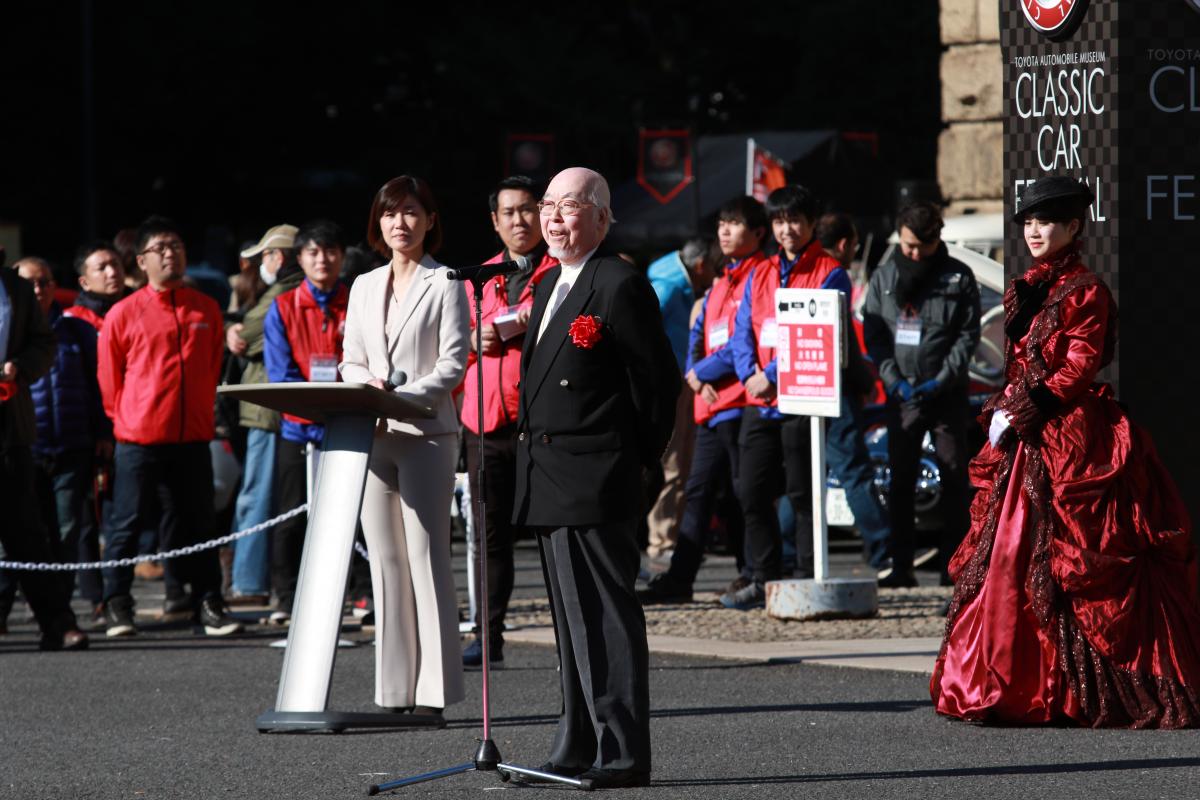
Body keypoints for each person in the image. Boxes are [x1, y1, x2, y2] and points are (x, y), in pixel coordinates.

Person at [931, 175, 1200, 727]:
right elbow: (1020, 363)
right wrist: (1004, 408)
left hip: (1069, 435)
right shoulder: (1026, 287)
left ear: (1074, 227)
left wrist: (1022, 409)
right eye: (1028, 222)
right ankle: (1000, 676)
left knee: (1073, 556)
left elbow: (1078, 366)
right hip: (1027, 435)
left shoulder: (1086, 290)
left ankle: (1060, 689)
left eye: (1046, 221)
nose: (1034, 231)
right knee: (1004, 555)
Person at [512, 167, 678, 788]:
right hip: (549, 475)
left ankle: (622, 750)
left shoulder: (618, 281)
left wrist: (640, 463)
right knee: (569, 619)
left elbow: (655, 384)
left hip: (598, 473)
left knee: (606, 615)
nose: (553, 218)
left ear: (603, 218)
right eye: (548, 205)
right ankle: (575, 743)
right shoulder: (551, 279)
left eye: (571, 207)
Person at [340, 175, 468, 719]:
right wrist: (366, 386)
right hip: (372, 433)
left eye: (412, 213)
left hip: (427, 434)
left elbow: (453, 364)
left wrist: (402, 397)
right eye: (391, 214)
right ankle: (395, 692)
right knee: (386, 563)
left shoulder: (448, 283)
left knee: (426, 556)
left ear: (430, 220)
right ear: (378, 222)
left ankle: (436, 693)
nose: (401, 223)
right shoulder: (364, 285)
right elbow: (348, 357)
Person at [96, 216, 243, 637]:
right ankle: (117, 605)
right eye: (160, 247)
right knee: (126, 525)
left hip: (194, 436)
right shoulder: (124, 313)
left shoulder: (206, 308)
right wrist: (126, 418)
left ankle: (208, 602)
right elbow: (110, 380)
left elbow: (213, 366)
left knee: (199, 523)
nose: (170, 253)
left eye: (175, 245)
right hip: (138, 436)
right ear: (141, 261)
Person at [721, 185, 850, 610]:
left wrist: (773, 374)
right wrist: (750, 375)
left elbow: (824, 333)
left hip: (804, 399)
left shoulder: (831, 270)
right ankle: (764, 577)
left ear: (812, 224)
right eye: (779, 221)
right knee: (751, 492)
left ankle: (806, 576)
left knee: (802, 494)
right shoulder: (759, 271)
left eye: (794, 220)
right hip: (759, 400)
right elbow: (743, 331)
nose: (787, 229)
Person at [640, 198, 766, 604]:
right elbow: (699, 331)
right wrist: (696, 373)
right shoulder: (722, 277)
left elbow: (745, 339)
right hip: (710, 398)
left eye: (734, 224)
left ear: (757, 232)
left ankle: (757, 575)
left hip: (743, 398)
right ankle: (682, 578)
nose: (725, 231)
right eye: (722, 224)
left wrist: (700, 372)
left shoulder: (759, 274)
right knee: (702, 488)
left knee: (741, 491)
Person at [459, 175, 557, 667]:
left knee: (553, 533)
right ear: (494, 221)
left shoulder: (562, 271)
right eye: (509, 213)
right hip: (484, 423)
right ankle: (487, 634)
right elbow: (449, 348)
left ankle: (570, 634)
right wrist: (473, 340)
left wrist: (519, 322)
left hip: (542, 424)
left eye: (527, 210)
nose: (519, 221)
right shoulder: (477, 278)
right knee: (488, 537)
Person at [862, 202, 980, 588]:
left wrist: (943, 379)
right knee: (901, 480)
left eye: (921, 247)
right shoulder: (885, 274)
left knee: (952, 475)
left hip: (945, 392)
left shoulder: (958, 277)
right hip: (902, 393)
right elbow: (875, 334)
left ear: (936, 240)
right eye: (908, 245)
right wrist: (892, 378)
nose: (913, 254)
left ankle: (956, 566)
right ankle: (901, 566)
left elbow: (967, 335)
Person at [11, 258, 110, 619]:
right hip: (23, 445)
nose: (39, 290)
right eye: (31, 283)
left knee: (67, 531)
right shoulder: (7, 331)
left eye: (46, 282)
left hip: (71, 445)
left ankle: (59, 608)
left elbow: (98, 387)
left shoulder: (75, 330)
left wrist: (101, 432)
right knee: (17, 533)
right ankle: (6, 608)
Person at [263, 220, 348, 624]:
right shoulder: (281, 306)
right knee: (291, 515)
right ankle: (285, 596)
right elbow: (280, 374)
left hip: (347, 426)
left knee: (353, 515)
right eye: (313, 252)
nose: (322, 259)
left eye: (330, 251)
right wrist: (317, 408)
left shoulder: (357, 300)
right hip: (298, 427)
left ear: (341, 257)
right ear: (300, 259)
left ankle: (358, 594)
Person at [0, 263, 88, 649]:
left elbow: (44, 343)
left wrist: (19, 367)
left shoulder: (14, 288)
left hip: (9, 427)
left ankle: (56, 622)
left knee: (26, 531)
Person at [224, 224, 300, 605]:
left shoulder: (281, 292)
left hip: (267, 410)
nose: (261, 264)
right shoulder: (291, 290)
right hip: (276, 410)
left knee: (257, 495)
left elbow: (247, 335)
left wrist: (235, 329)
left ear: (278, 257)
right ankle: (252, 578)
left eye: (264, 256)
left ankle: (249, 582)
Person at [814, 213, 892, 571]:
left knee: (809, 475)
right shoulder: (835, 273)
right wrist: (862, 382)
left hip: (806, 384)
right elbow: (842, 340)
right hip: (835, 388)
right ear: (844, 244)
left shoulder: (803, 269)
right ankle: (881, 549)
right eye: (855, 244)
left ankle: (785, 547)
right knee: (855, 471)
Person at [642, 237, 716, 562]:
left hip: (679, 379)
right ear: (700, 266)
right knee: (672, 463)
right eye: (713, 266)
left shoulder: (675, 281)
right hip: (669, 383)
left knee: (681, 463)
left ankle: (671, 536)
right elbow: (642, 330)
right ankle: (662, 541)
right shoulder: (670, 287)